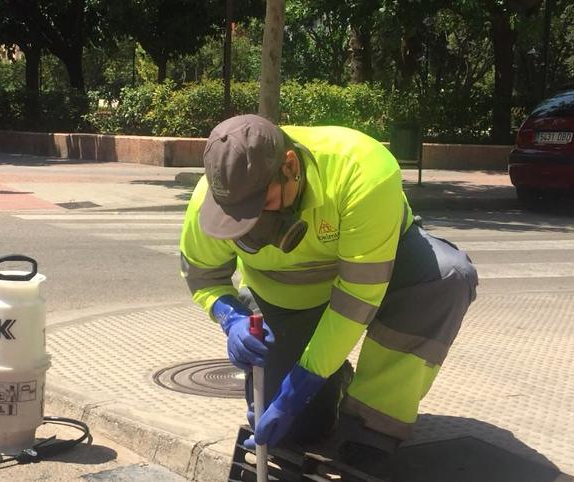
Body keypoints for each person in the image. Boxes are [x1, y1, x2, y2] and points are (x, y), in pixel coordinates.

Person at [178, 114, 478, 473]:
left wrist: (300, 385)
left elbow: (357, 297)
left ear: (290, 167)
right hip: (288, 300)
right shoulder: (213, 201)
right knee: (293, 433)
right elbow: (203, 274)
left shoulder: (362, 171)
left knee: (446, 278)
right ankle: (334, 378)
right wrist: (231, 317)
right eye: (237, 216)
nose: (249, 224)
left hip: (375, 277)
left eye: (261, 205)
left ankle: (372, 423)